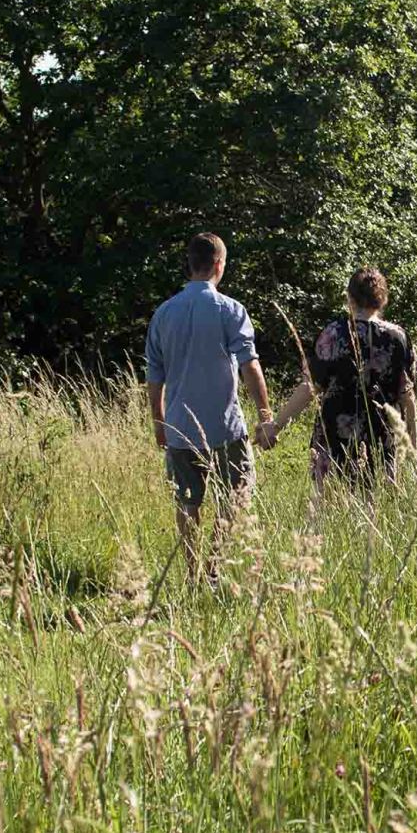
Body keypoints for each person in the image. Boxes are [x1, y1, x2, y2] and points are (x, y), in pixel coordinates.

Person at [145, 232, 277, 579]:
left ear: (190, 264)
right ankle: (214, 568)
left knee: (187, 503)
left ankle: (192, 573)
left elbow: (154, 376)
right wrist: (265, 415)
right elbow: (250, 365)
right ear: (219, 264)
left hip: (179, 428)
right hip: (225, 428)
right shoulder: (230, 310)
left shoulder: (163, 314)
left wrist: (159, 424)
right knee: (237, 495)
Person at [268, 268, 417, 487]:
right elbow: (408, 396)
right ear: (383, 299)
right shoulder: (398, 337)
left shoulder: (334, 333)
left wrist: (275, 427)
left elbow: (310, 387)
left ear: (350, 297)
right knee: (376, 510)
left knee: (327, 509)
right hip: (382, 437)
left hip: (334, 437)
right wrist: (413, 448)